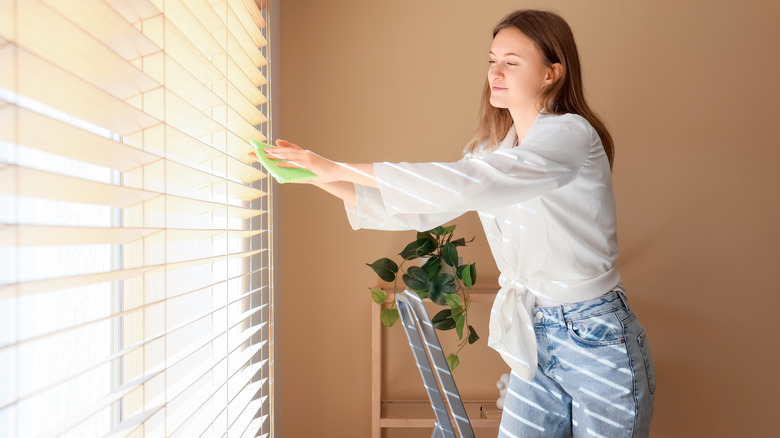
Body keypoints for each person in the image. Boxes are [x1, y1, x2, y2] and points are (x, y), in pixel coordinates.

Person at [251, 9, 655, 438]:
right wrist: (317, 175)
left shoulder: (570, 135)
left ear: (552, 73)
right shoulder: (491, 149)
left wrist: (338, 167)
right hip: (534, 336)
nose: (495, 73)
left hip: (594, 335)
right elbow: (419, 207)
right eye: (492, 60)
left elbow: (467, 184)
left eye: (511, 62)